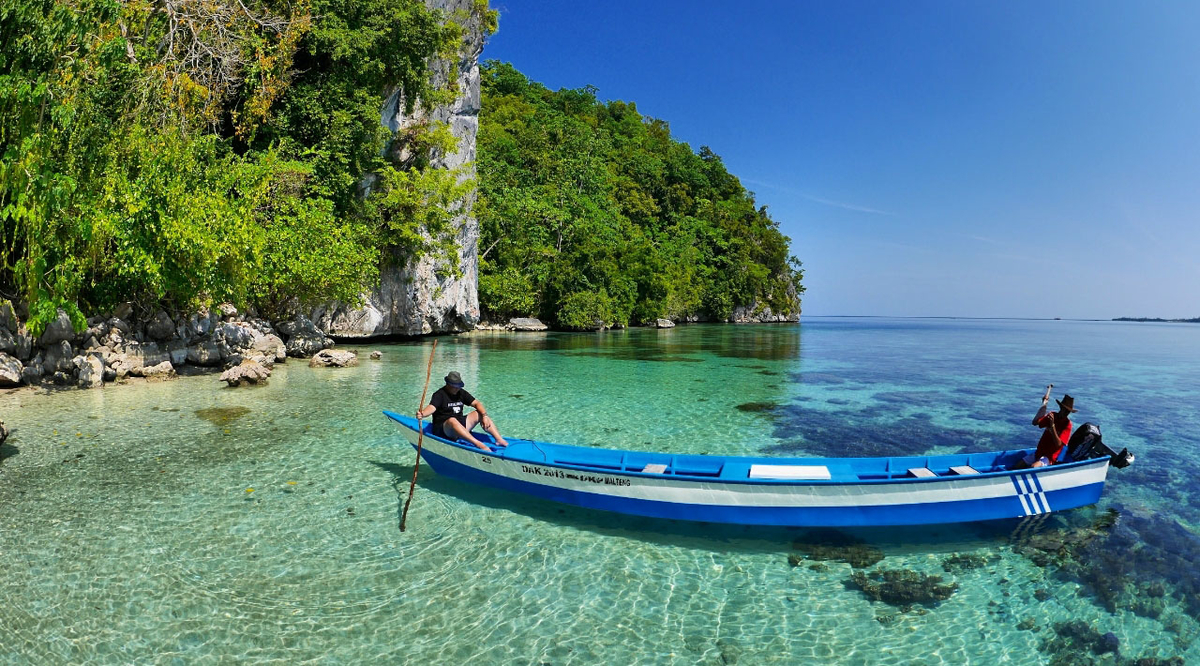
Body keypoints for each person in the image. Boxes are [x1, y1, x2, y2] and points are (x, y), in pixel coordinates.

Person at [416, 371, 508, 452]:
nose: (457, 389)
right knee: (452, 420)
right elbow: (432, 407)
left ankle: (498, 439)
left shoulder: (461, 392)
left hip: (460, 425)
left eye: (458, 386)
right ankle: (478, 444)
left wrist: (484, 416)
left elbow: (477, 403)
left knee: (478, 413)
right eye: (454, 387)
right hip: (444, 430)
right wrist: (423, 414)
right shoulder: (439, 394)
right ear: (448, 384)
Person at [1025, 392, 1076, 468]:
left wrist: (1052, 427)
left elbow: (1058, 445)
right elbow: (1035, 422)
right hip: (1039, 452)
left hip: (1049, 457)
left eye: (1068, 411)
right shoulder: (1052, 415)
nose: (1066, 413)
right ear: (1061, 408)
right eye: (1064, 410)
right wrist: (1044, 405)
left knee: (1034, 467)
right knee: (1017, 465)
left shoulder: (1067, 425)